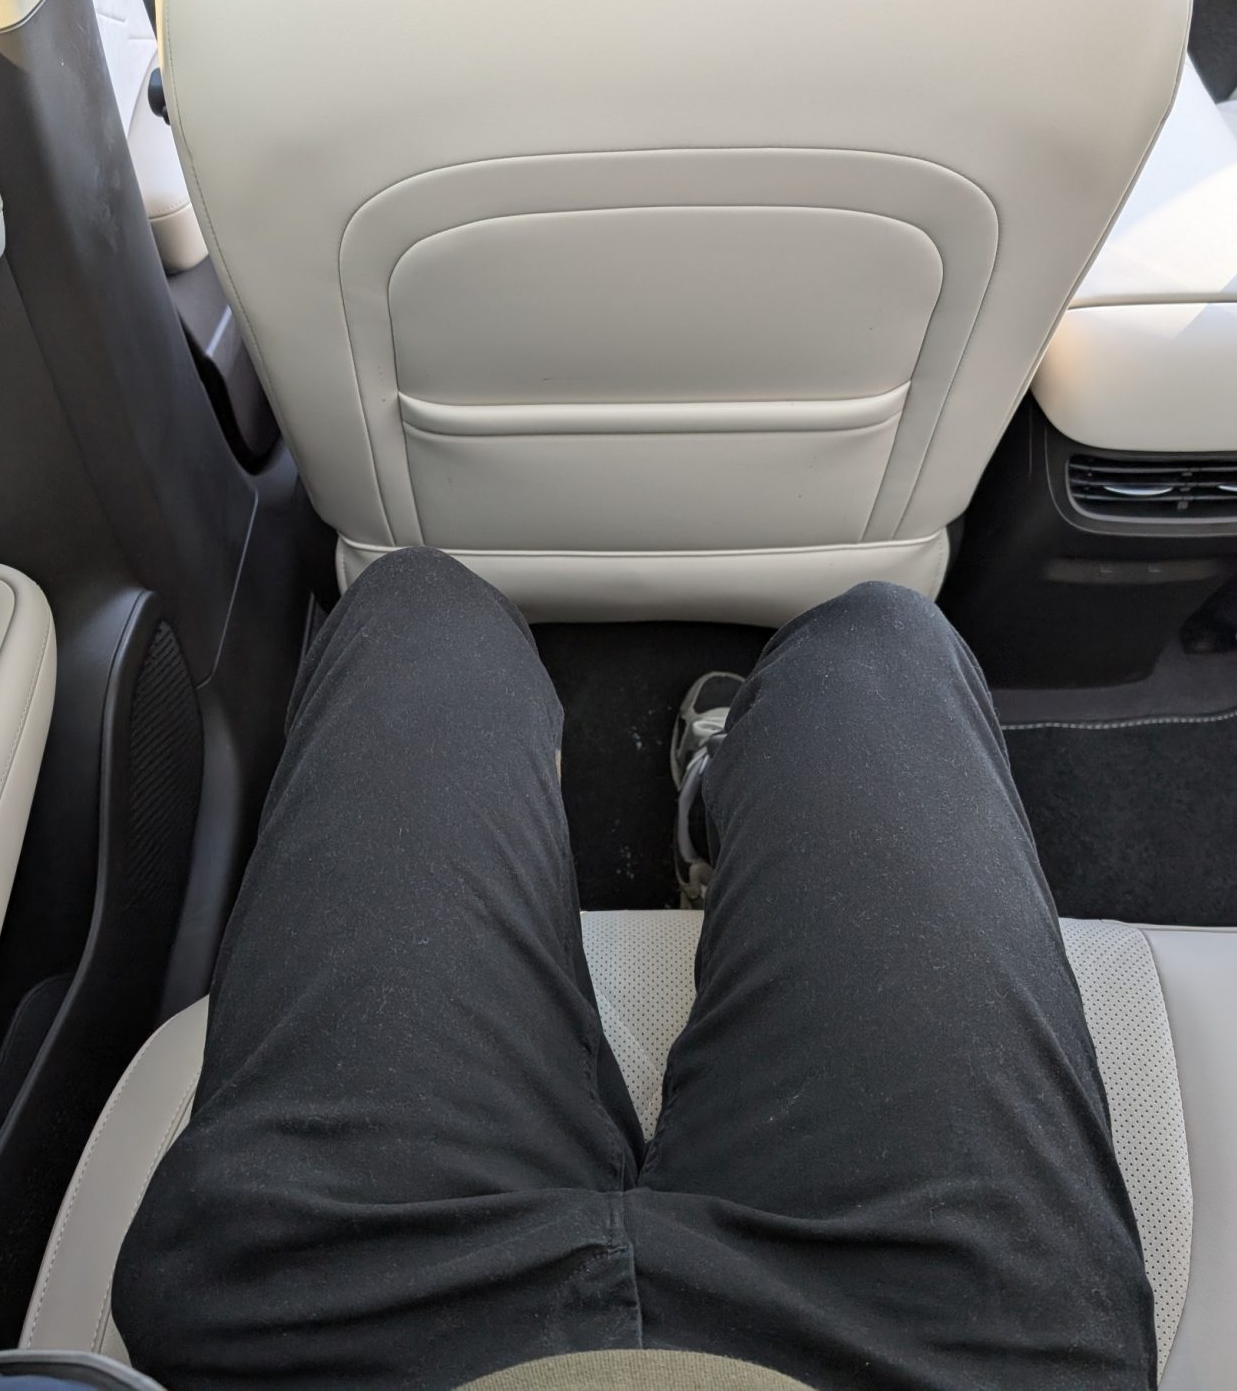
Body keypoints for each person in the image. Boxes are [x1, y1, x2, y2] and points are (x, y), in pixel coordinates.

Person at [109, 548, 1154, 1389]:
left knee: (418, 614)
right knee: (881, 651)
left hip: (329, 1328)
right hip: (937, 1345)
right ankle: (731, 807)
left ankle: (634, 827)